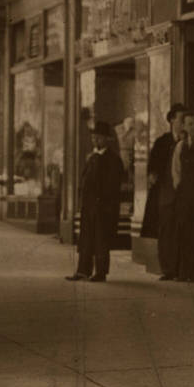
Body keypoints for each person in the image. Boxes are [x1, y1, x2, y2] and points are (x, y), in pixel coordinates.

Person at [66, 121, 125, 283]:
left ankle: (101, 272)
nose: (96, 141)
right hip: (90, 205)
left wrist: (103, 201)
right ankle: (82, 271)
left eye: (99, 138)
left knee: (101, 240)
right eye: (94, 138)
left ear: (107, 139)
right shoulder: (92, 157)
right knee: (86, 238)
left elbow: (113, 184)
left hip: (104, 206)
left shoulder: (113, 159)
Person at [168, 111, 194, 282]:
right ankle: (184, 272)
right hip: (184, 193)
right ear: (184, 126)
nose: (193, 127)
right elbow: (175, 169)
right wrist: (179, 186)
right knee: (184, 230)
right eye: (190, 124)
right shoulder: (180, 146)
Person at [145, 104, 185, 268]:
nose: (184, 123)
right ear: (172, 120)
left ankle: (181, 268)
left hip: (183, 193)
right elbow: (153, 167)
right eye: (181, 119)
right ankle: (167, 267)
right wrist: (153, 175)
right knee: (166, 229)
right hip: (165, 193)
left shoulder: (189, 141)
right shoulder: (162, 142)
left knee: (182, 229)